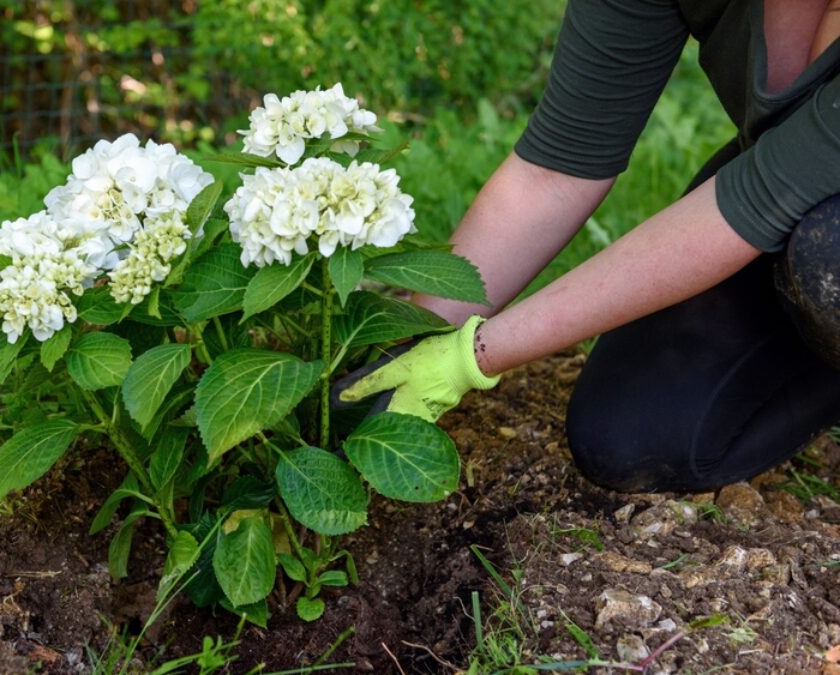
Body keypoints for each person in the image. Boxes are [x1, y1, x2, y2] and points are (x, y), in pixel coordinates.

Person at [335, 0, 840, 493]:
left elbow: (751, 205)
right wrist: (406, 338)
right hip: (785, 201)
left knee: (828, 256)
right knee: (632, 434)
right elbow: (554, 169)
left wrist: (470, 358)